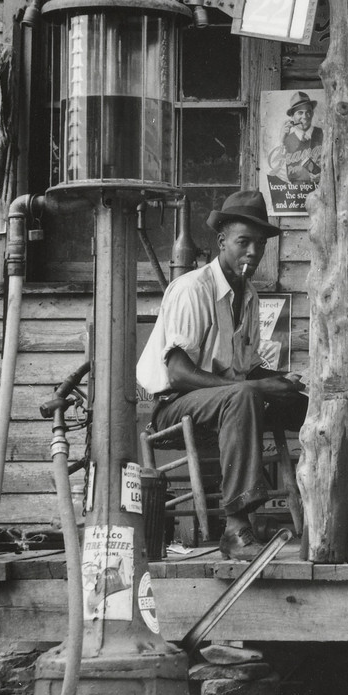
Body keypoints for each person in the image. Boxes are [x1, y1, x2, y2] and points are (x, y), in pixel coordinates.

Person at [137, 190, 307, 559]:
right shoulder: (192, 289)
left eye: (259, 245)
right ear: (221, 242)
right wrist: (254, 384)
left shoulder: (249, 296)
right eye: (243, 242)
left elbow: (244, 368)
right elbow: (179, 373)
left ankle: (334, 518)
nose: (252, 253)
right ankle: (235, 527)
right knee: (244, 395)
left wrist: (280, 380)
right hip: (173, 405)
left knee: (308, 404)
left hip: (223, 400)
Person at [268, 92, 324, 188]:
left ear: (312, 113)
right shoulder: (286, 140)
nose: (305, 116)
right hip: (295, 195)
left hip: (320, 192)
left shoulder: (323, 134)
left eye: (308, 112)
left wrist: (323, 176)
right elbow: (274, 170)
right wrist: (281, 139)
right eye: (300, 113)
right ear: (292, 117)